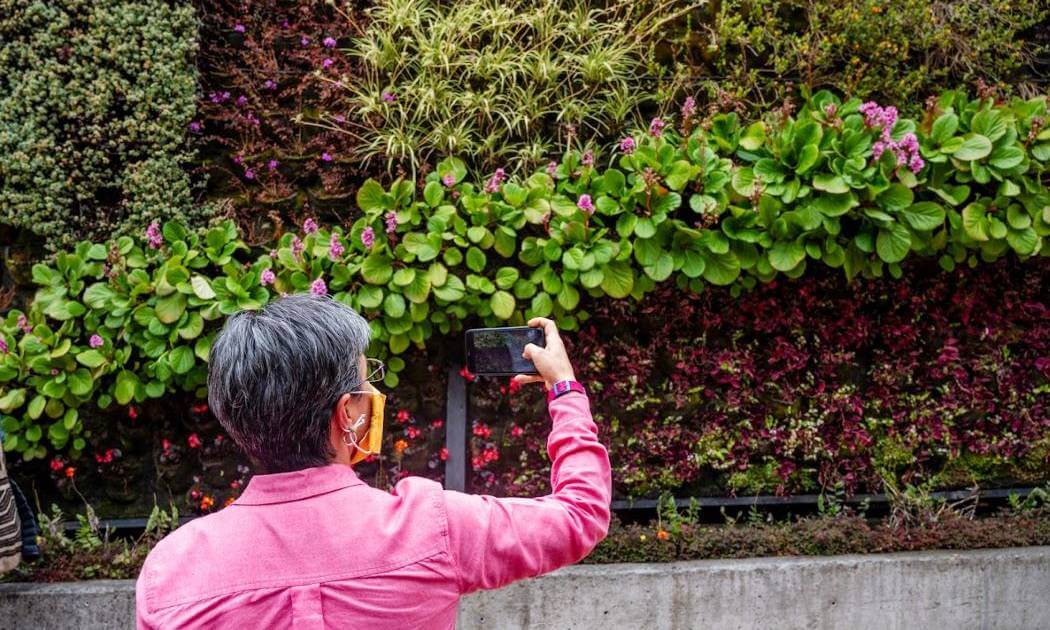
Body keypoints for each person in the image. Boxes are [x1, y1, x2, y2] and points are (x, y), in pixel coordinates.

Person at [135, 294, 611, 629]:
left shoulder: (172, 571)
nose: (374, 395)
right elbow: (581, 515)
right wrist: (564, 388)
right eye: (367, 382)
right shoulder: (430, 527)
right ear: (347, 413)